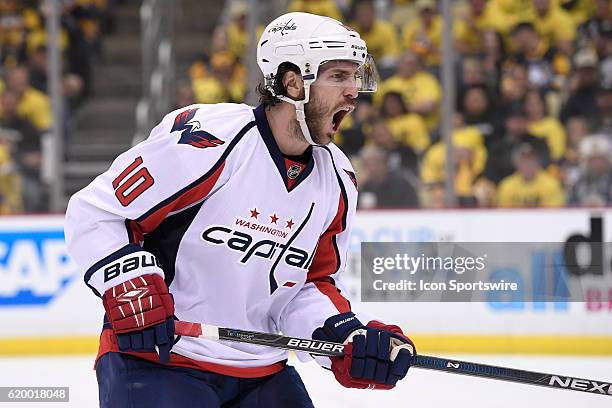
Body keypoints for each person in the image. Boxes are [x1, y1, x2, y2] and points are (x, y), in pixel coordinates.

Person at [65, 12, 415, 408]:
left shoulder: (338, 178)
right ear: (292, 81)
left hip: (262, 374)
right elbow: (97, 212)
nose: (354, 92)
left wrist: (345, 336)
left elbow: (310, 283)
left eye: (355, 76)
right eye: (338, 77)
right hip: (160, 361)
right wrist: (128, 283)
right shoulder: (209, 140)